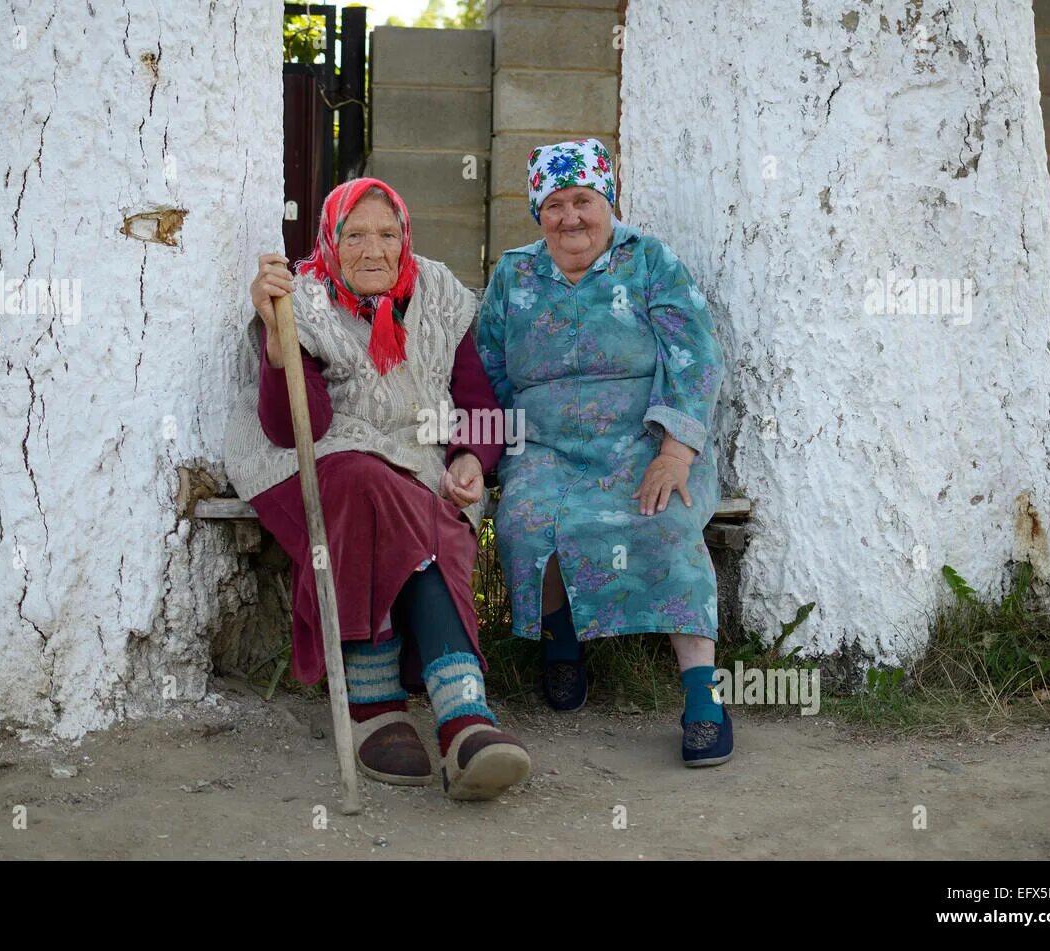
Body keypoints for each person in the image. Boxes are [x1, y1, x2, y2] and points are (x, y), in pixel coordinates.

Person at [224, 178, 531, 799]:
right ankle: (392, 703)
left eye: (387, 234)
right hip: (311, 463)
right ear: (330, 241)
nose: (373, 250)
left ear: (405, 238)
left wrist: (473, 456)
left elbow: (477, 401)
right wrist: (279, 338)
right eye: (355, 234)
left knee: (424, 512)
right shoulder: (300, 301)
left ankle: (459, 720)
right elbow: (291, 429)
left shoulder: (440, 292)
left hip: (416, 463)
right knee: (368, 483)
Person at [476, 139, 732, 765]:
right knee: (528, 520)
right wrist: (482, 457)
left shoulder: (648, 261)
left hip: (640, 443)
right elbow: (486, 371)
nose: (571, 218)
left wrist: (675, 452)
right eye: (554, 204)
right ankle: (563, 649)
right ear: (538, 211)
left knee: (666, 518)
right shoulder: (514, 273)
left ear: (607, 202)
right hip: (544, 447)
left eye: (583, 201)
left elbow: (695, 356)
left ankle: (703, 695)